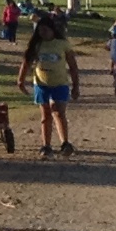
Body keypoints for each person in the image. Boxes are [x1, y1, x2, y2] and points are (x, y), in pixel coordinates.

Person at [23, 11, 81, 155]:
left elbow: (73, 66)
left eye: (46, 30)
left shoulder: (62, 44)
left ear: (52, 30)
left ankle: (65, 143)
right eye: (40, 30)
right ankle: (46, 145)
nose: (43, 33)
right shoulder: (37, 45)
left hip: (60, 83)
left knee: (59, 112)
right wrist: (21, 79)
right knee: (46, 115)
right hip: (41, 83)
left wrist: (76, 86)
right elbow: (26, 62)